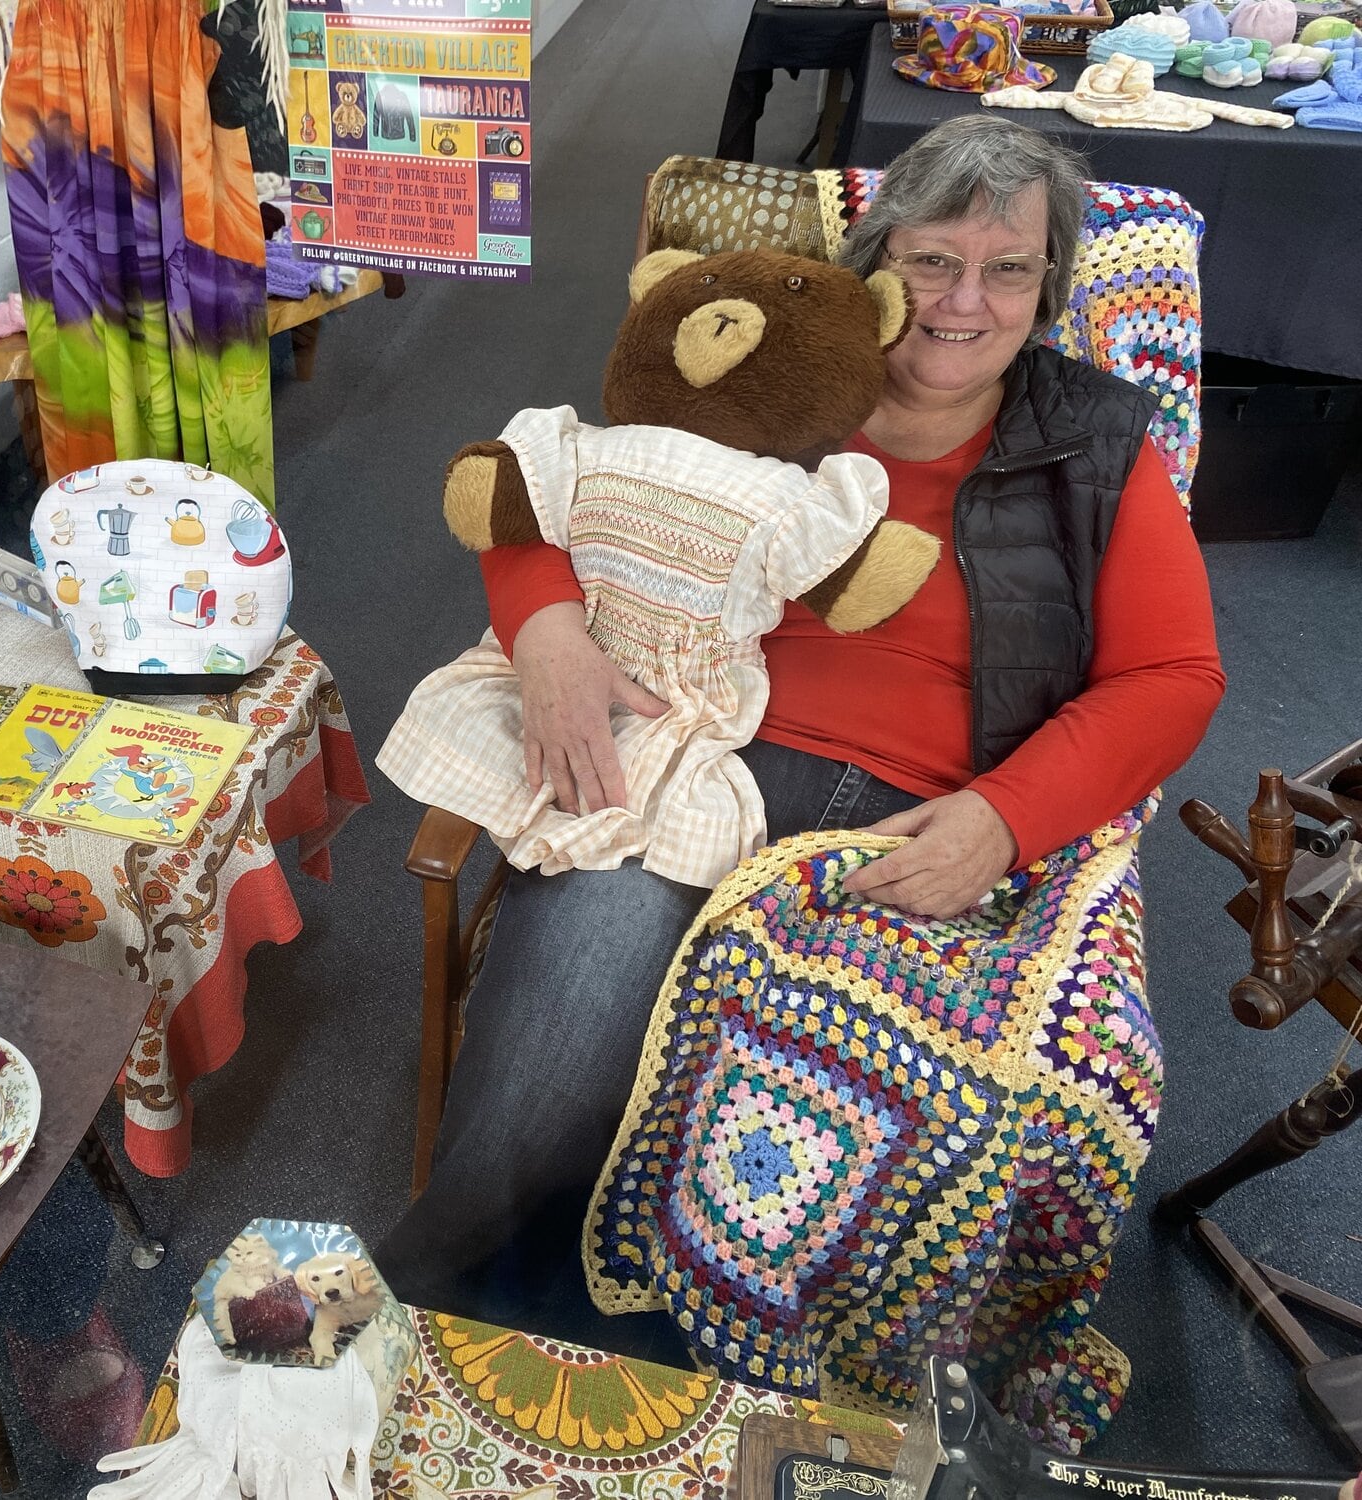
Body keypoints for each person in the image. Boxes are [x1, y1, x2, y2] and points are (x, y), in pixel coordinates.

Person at [374, 115, 1226, 1340]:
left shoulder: (1095, 441)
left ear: (1047, 289)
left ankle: (751, 1376)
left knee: (927, 1116)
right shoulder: (774, 371)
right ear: (878, 264)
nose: (963, 301)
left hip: (922, 817)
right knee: (560, 1049)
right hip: (687, 759)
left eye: (1005, 268)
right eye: (931, 260)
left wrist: (1003, 819)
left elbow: (1170, 675)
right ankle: (427, 1324)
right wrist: (546, 631)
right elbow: (553, 495)